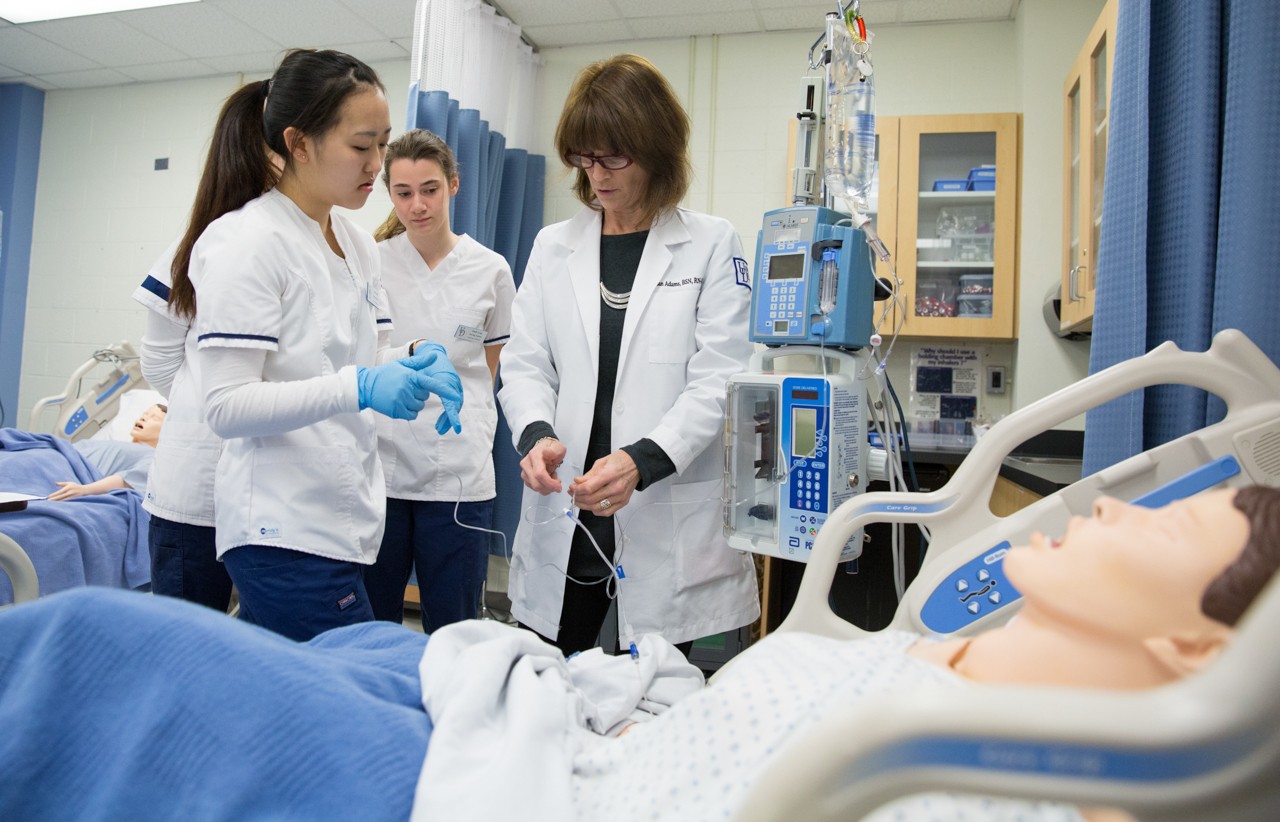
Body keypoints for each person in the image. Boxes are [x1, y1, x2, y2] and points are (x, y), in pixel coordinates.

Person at [0, 486, 1276, 821]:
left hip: (545, 782)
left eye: (1157, 513)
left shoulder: (1014, 785)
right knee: (360, 652)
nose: (1102, 503)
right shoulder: (961, 672)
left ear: (1194, 646)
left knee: (95, 646)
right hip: (567, 724)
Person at [188, 49, 464, 642]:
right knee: (360, 685)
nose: (377, 165)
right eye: (361, 146)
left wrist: (412, 359)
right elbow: (227, 405)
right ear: (300, 142)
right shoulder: (248, 242)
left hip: (345, 524)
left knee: (288, 706)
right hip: (280, 529)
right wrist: (362, 385)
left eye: (383, 145)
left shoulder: (355, 241)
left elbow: (356, 361)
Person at [497, 53, 759, 657]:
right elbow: (526, 361)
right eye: (585, 158)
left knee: (661, 701)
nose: (597, 175)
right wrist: (535, 435)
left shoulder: (712, 244)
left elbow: (721, 377)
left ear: (656, 147)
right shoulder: (552, 246)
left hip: (661, 503)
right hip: (571, 504)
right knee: (554, 686)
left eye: (614, 156)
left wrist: (643, 460)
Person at [362, 129, 516, 629]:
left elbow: (490, 369)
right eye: (403, 193)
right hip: (381, 467)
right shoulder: (371, 262)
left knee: (453, 625)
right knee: (374, 618)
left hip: (457, 474)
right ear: (389, 194)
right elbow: (361, 357)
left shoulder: (490, 270)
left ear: (453, 184)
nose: (417, 205)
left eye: (429, 189)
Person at [131, 140, 285, 615]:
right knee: (186, 651)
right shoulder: (198, 246)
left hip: (272, 498)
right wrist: (212, 406)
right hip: (194, 493)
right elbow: (158, 362)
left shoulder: (311, 246)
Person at [48, 404, 167, 500]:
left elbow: (125, 481)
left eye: (154, 418)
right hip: (58, 454)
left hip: (71, 475)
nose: (143, 418)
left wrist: (83, 490)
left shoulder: (154, 456)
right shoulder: (114, 444)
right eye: (144, 414)